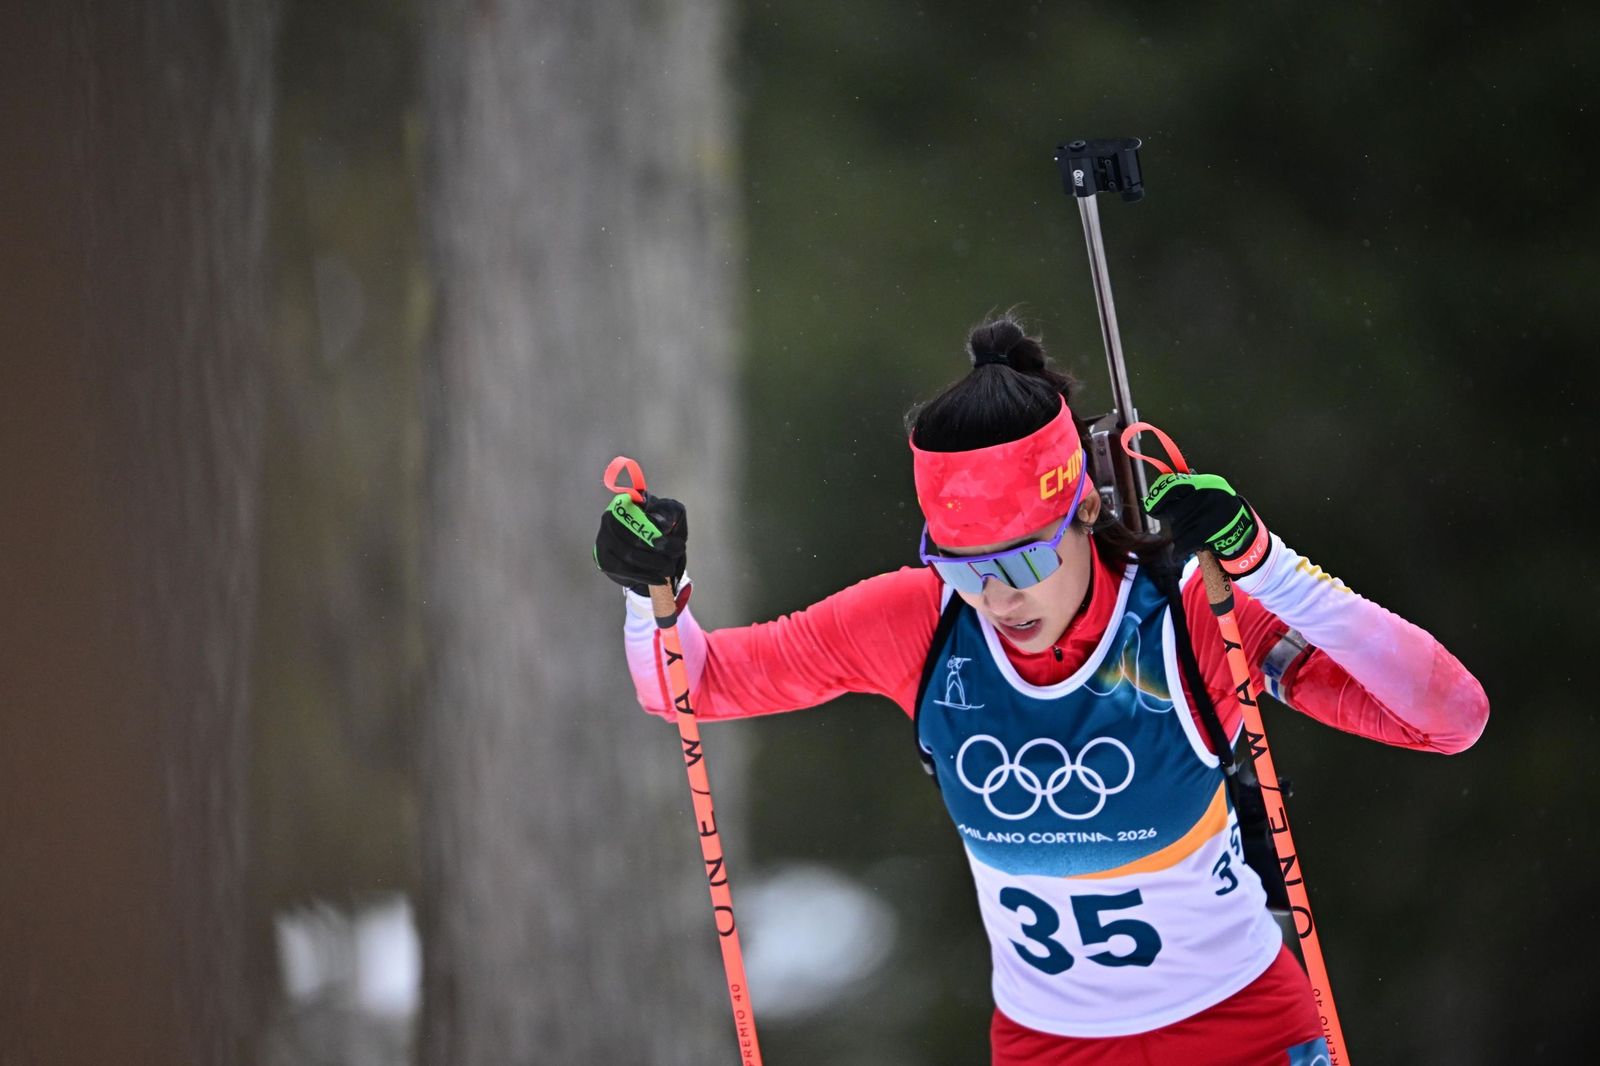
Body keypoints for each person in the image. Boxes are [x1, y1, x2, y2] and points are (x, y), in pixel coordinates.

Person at [593, 314, 1489, 1065]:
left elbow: (1449, 719)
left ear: (1087, 510)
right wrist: (649, 598)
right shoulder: (922, 622)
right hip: (1048, 1046)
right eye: (967, 564)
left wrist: (1267, 569)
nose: (1000, 594)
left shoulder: (1182, 623)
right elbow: (691, 687)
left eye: (1025, 556)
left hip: (1244, 1030)